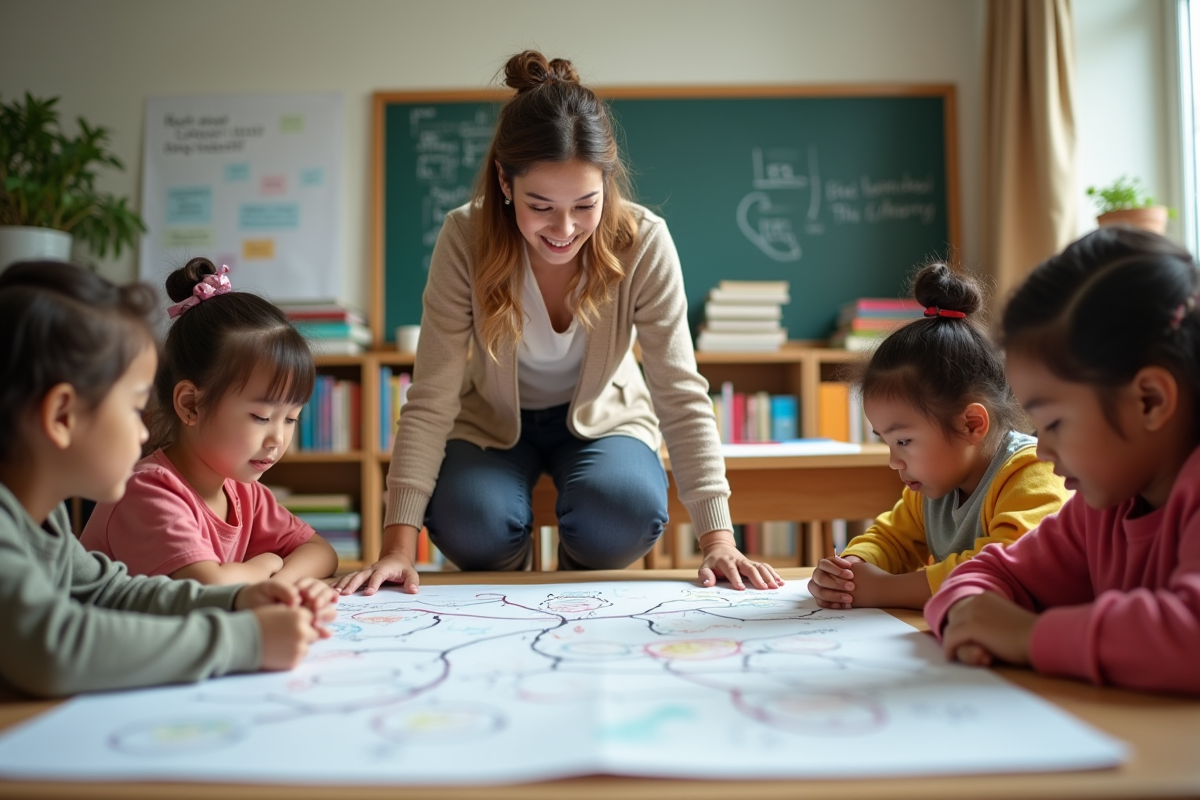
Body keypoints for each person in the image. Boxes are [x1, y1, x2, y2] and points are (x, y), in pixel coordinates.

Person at [336, 50, 782, 596]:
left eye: (585, 205)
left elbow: (679, 391)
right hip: (491, 425)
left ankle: (569, 594)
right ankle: (506, 593)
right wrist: (397, 550)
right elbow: (431, 395)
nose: (564, 229)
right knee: (471, 522)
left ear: (607, 185)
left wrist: (719, 540)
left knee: (622, 510)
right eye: (541, 206)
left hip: (606, 420)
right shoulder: (465, 239)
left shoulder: (644, 242)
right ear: (505, 182)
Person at [0, 261, 336, 697]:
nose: (143, 432)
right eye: (132, 408)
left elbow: (112, 592)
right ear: (62, 416)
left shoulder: (46, 522)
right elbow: (53, 649)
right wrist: (246, 641)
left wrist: (238, 599)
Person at [926, 227, 1200, 695]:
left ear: (1150, 400)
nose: (1043, 450)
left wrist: (1028, 637)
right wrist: (967, 613)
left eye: (1053, 423)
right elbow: (991, 571)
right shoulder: (1100, 510)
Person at [807, 263, 1069, 610]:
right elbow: (891, 539)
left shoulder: (1034, 471)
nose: (893, 461)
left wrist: (883, 590)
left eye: (903, 441)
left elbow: (1003, 571)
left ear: (971, 425)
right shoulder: (933, 488)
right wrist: (851, 569)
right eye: (886, 442)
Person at [80, 257, 337, 586]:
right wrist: (266, 564)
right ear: (191, 404)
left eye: (290, 419)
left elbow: (321, 552)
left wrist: (280, 580)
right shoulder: (147, 492)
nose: (277, 439)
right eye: (261, 417)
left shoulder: (244, 493)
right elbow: (207, 587)